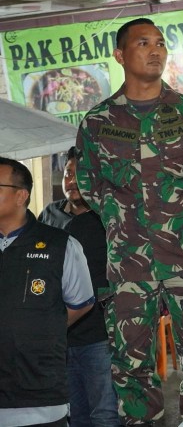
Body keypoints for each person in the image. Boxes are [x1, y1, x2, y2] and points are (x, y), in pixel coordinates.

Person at [76, 17, 183, 427]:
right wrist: (122, 220)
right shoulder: (97, 122)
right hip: (129, 261)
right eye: (143, 42)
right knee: (130, 362)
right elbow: (89, 186)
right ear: (120, 55)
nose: (155, 50)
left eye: (161, 43)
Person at [0, 157, 95, 427]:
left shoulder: (60, 245)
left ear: (21, 196)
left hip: (40, 397)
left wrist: (40, 328)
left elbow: (81, 303)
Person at [38, 147, 120, 427]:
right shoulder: (50, 214)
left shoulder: (109, 218)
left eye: (80, 175)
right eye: (69, 173)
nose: (71, 181)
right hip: (59, 336)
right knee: (75, 415)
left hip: (101, 336)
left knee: (105, 413)